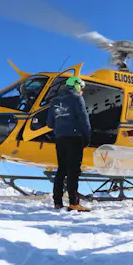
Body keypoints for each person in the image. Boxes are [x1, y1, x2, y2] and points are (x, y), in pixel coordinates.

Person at [47, 76, 92, 212]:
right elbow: (84, 119)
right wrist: (87, 137)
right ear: (77, 85)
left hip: (60, 138)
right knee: (73, 171)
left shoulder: (54, 101)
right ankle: (73, 203)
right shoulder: (77, 98)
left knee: (61, 170)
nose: (82, 91)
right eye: (81, 88)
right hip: (74, 138)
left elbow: (50, 123)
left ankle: (57, 202)